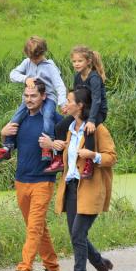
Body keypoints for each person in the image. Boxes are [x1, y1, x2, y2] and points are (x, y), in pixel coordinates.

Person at [41, 86, 116, 271]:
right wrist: (53, 145)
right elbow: (66, 155)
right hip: (72, 187)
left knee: (77, 233)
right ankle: (101, 264)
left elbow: (111, 157)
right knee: (77, 236)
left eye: (69, 100)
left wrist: (93, 155)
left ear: (80, 105)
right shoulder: (69, 128)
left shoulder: (98, 129)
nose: (66, 103)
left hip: (91, 188)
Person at [1, 78, 63, 271]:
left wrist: (52, 144)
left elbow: (70, 144)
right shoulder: (19, 120)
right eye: (26, 96)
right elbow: (8, 153)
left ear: (43, 96)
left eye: (33, 96)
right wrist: (3, 135)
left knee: (34, 227)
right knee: (36, 227)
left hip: (43, 181)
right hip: (21, 180)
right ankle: (53, 268)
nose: (29, 100)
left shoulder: (53, 118)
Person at [0, 36, 67, 163]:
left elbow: (59, 85)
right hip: (30, 97)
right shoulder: (27, 62)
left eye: (36, 58)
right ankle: (7, 147)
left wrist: (62, 102)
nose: (34, 61)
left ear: (43, 53)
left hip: (48, 97)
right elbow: (12, 75)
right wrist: (26, 79)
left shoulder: (50, 66)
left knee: (48, 116)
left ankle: (47, 148)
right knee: (16, 117)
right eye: (31, 58)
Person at [43, 46, 108, 179]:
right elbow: (76, 96)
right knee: (60, 127)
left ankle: (89, 163)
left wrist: (91, 121)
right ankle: (59, 158)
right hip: (83, 109)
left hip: (97, 111)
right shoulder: (78, 76)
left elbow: (96, 100)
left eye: (80, 61)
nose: (76, 64)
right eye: (74, 61)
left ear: (88, 61)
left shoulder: (94, 78)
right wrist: (68, 106)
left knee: (88, 129)